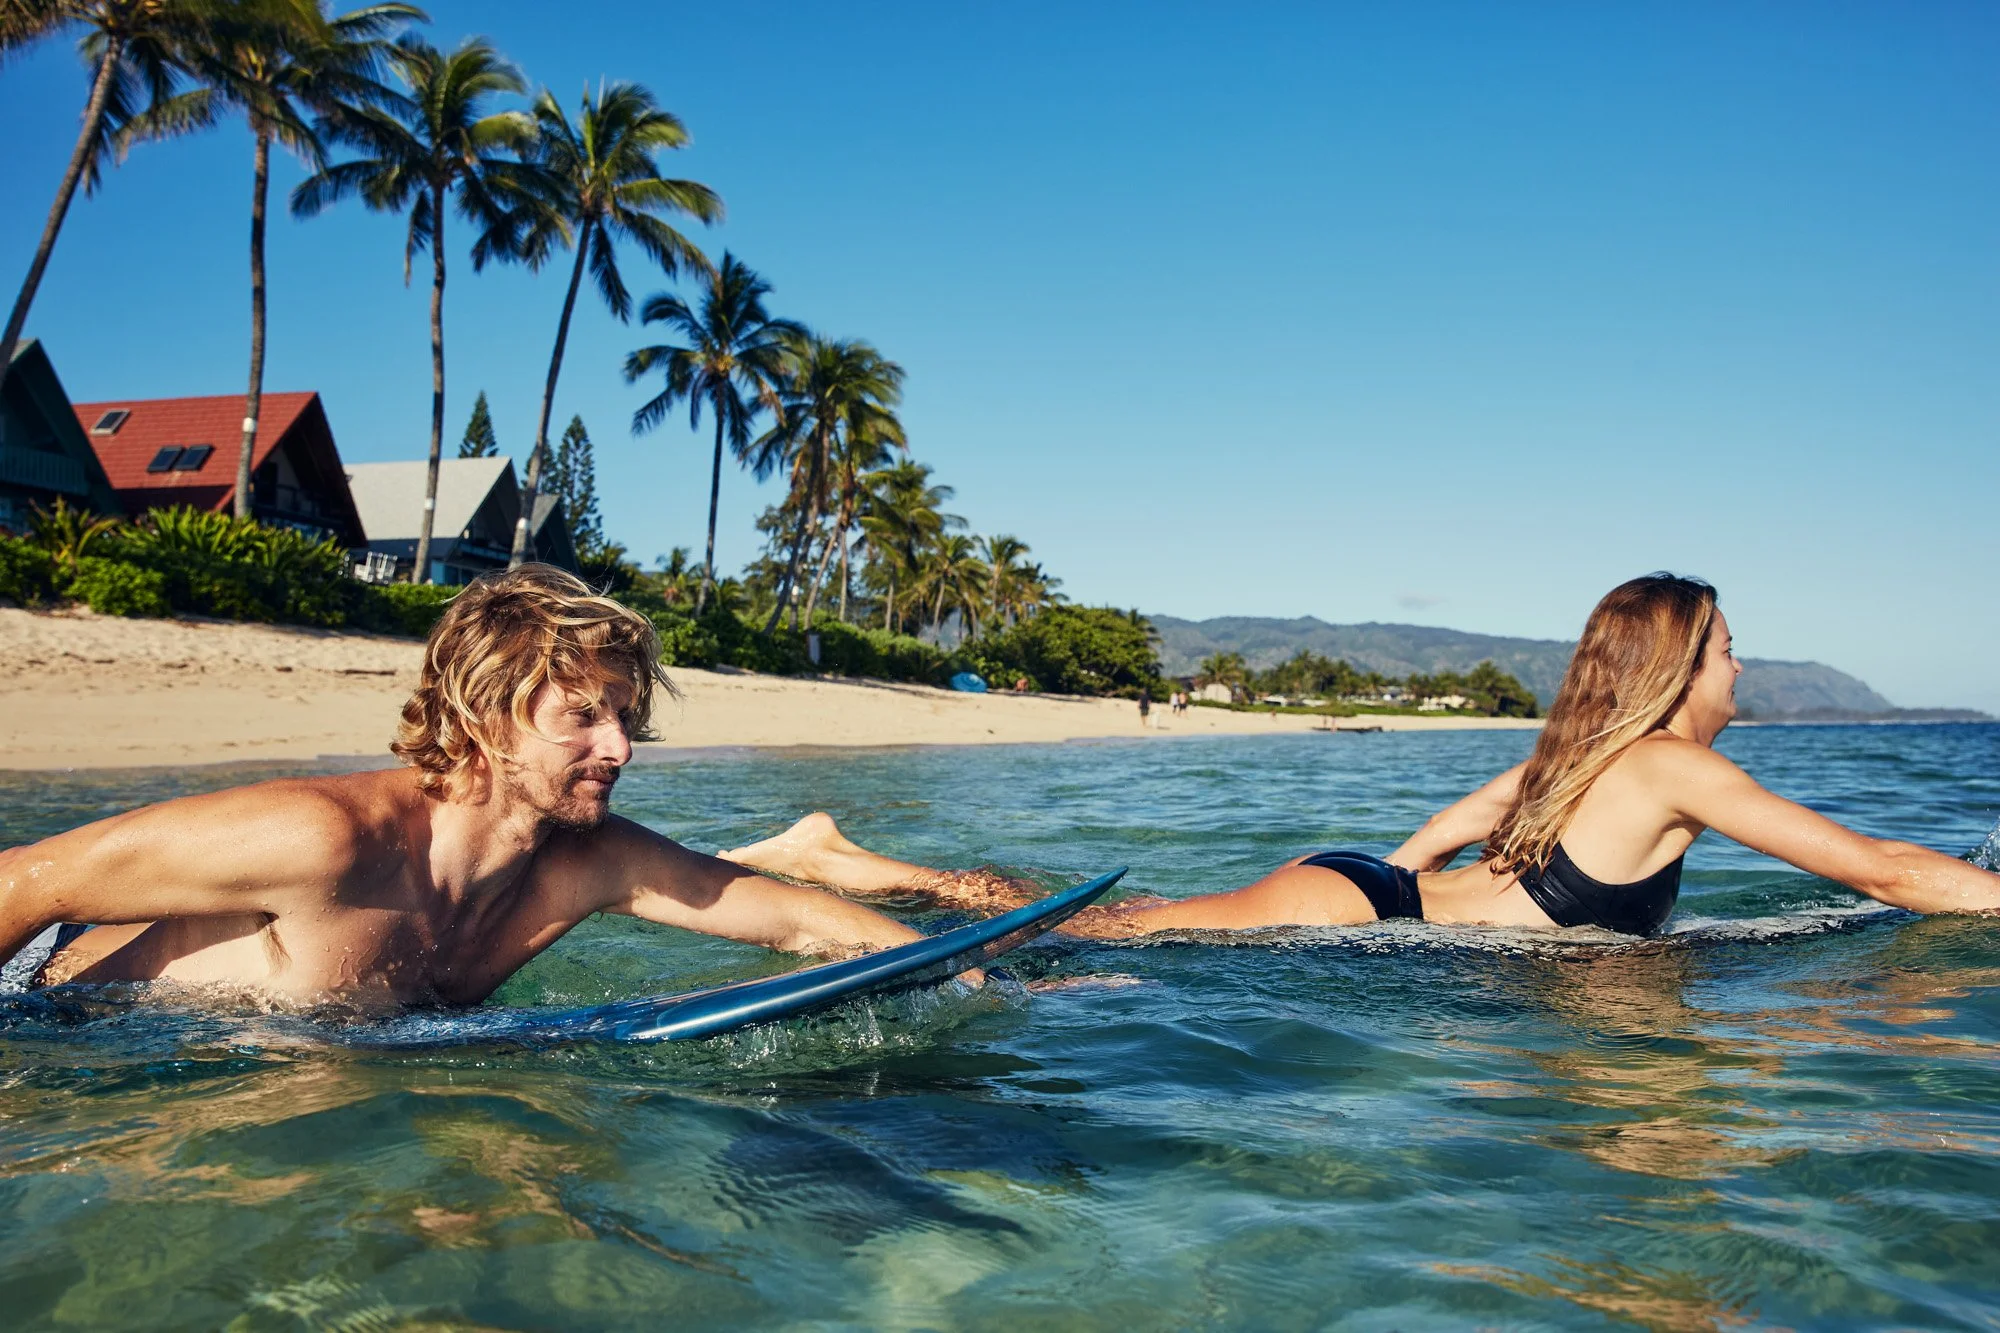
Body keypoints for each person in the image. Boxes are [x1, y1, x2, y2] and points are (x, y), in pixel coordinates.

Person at [723, 574, 2000, 938]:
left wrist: (1395, 883)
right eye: (1724, 646)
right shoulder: (1675, 766)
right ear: (1678, 667)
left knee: (1117, 931)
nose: (1739, 665)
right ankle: (842, 858)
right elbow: (1881, 867)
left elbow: (1476, 806)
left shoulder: (1592, 749)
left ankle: (855, 862)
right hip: (1357, 908)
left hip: (1370, 901)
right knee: (1084, 941)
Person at [0, 566, 928, 1006]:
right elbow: (22, 883)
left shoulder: (584, 860)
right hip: (55, 1011)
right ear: (484, 714)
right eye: (582, 716)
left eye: (623, 716)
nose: (621, 747)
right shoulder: (321, 839)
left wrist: (978, 973)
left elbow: (799, 918)